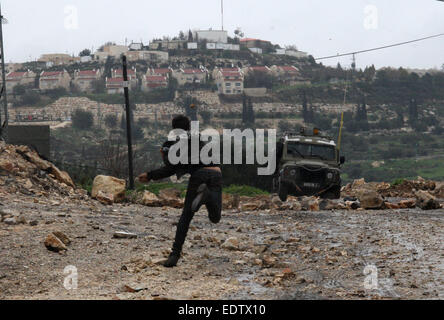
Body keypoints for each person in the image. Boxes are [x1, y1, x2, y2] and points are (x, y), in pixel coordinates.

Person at [137, 115, 222, 267]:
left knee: (186, 217)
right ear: (188, 126)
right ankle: (207, 196)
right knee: (215, 218)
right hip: (216, 174)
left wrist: (150, 175)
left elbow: (171, 168)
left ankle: (174, 255)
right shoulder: (197, 138)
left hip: (199, 176)